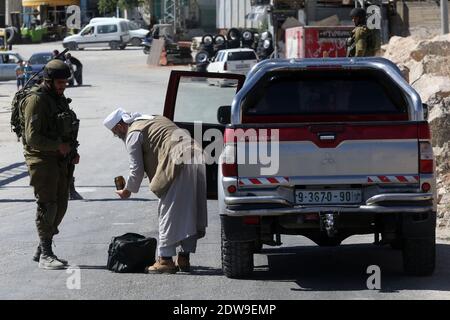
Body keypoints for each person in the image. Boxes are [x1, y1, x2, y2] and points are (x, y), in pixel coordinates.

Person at [103, 109, 207, 274]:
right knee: (189, 210)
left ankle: (165, 260)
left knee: (167, 211)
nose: (117, 136)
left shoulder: (132, 134)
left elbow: (136, 170)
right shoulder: (151, 118)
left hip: (177, 161)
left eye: (115, 132)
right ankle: (184, 258)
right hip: (195, 155)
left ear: (121, 126)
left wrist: (127, 190)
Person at [21, 59, 80, 270]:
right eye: (60, 82)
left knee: (61, 204)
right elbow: (32, 138)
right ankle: (46, 254)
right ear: (48, 80)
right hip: (41, 159)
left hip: (60, 158)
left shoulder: (58, 98)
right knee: (48, 205)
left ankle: (41, 249)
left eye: (65, 82)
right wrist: (58, 146)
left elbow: (67, 127)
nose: (64, 86)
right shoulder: (37, 101)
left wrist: (72, 151)